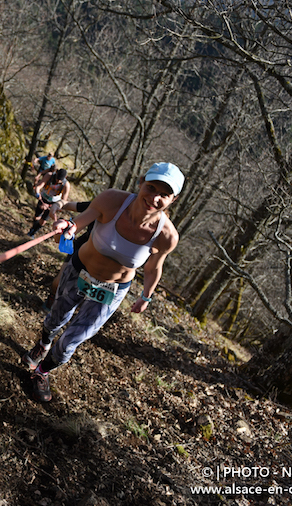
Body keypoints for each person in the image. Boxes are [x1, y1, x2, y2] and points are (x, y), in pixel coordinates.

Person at [22, 162, 184, 402]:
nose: (155, 198)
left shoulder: (167, 236)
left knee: (74, 339)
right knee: (56, 318)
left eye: (164, 194)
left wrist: (146, 297)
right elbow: (81, 220)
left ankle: (43, 371)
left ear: (173, 199)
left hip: (113, 289)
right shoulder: (112, 200)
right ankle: (43, 344)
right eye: (151, 188)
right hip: (79, 271)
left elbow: (153, 268)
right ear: (141, 183)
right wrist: (68, 226)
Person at [28, 168, 70, 238]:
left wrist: (54, 207)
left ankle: (33, 233)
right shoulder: (49, 175)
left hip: (54, 204)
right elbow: (39, 186)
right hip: (43, 198)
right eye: (57, 178)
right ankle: (32, 229)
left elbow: (63, 201)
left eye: (60, 180)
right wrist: (37, 193)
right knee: (37, 217)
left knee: (43, 221)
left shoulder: (66, 185)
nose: (58, 181)